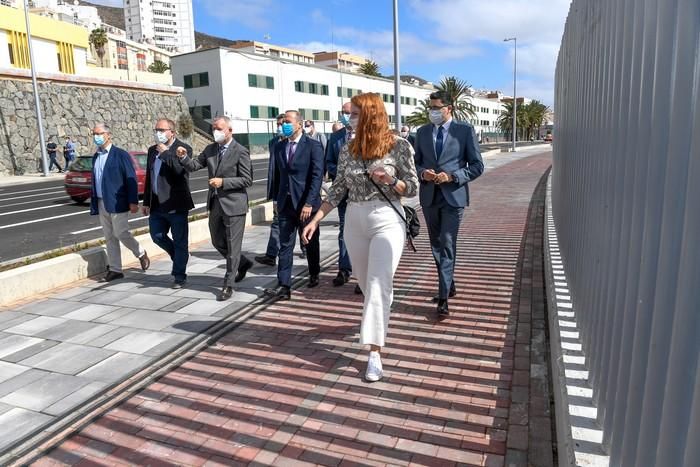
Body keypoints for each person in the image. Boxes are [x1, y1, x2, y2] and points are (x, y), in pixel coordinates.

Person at [302, 92, 418, 382]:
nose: (349, 118)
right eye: (349, 113)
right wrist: (316, 218)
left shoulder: (399, 145)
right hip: (354, 218)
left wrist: (390, 179)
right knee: (368, 285)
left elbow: (413, 188)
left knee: (379, 285)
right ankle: (376, 320)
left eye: (354, 113)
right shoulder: (347, 149)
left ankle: (374, 353)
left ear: (370, 115)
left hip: (387, 219)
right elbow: (339, 188)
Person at [414, 90, 484, 317]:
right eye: (430, 108)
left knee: (446, 242)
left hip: (453, 197)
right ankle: (449, 283)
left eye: (436, 108)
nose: (432, 112)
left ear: (448, 109)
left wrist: (453, 176)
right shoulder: (422, 132)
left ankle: (443, 298)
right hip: (429, 197)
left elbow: (476, 166)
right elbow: (414, 164)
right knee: (436, 244)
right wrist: (423, 173)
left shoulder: (464, 131)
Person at [176, 116, 253, 301]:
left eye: (219, 128)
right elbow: (195, 165)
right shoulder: (210, 149)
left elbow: (247, 179)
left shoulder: (240, 151)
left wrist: (223, 182)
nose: (215, 132)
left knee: (233, 247)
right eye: (213, 129)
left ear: (229, 130)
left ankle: (228, 284)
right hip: (216, 203)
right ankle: (242, 263)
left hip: (234, 205)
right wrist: (184, 157)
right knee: (217, 241)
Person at [264, 110, 324, 301]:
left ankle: (314, 272)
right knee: (285, 245)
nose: (284, 126)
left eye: (288, 122)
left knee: (310, 242)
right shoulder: (280, 147)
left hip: (307, 204)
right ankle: (284, 285)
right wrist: (275, 200)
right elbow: (277, 176)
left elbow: (317, 177)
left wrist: (309, 202)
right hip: (285, 204)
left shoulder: (313, 146)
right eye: (283, 123)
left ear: (299, 124)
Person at [89, 123, 150, 282]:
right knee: (109, 236)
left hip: (118, 202)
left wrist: (133, 201)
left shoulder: (120, 154)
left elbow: (130, 178)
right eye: (94, 134)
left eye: (99, 133)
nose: (96, 137)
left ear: (108, 135)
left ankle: (141, 253)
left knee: (121, 232)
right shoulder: (96, 156)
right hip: (102, 202)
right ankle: (115, 269)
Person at [142, 118, 194, 289]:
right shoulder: (152, 151)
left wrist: (166, 153)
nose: (159, 133)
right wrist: (146, 201)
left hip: (176, 203)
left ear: (172, 132)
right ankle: (179, 256)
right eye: (157, 129)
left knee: (180, 240)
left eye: (162, 130)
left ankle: (179, 276)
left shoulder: (183, 148)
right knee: (157, 236)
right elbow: (150, 177)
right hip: (157, 204)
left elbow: (180, 171)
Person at [325, 102, 355, 289]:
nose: (345, 115)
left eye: (349, 112)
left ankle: (362, 272)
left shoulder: (367, 136)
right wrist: (342, 173)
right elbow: (329, 162)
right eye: (343, 112)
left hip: (365, 195)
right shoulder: (335, 137)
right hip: (343, 193)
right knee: (344, 230)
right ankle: (344, 269)